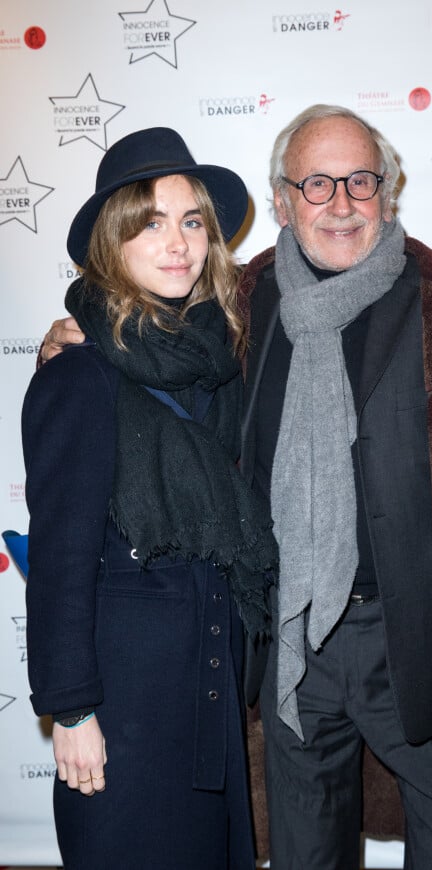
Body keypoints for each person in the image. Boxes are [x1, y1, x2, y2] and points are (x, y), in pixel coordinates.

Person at [42, 106, 432, 870]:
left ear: (388, 191)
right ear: (282, 201)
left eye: (360, 181)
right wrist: (72, 332)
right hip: (289, 647)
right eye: (317, 184)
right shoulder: (244, 305)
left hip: (423, 638)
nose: (341, 202)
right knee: (303, 851)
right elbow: (151, 349)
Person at [23, 126, 277, 870]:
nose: (178, 243)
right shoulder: (79, 373)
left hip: (208, 693)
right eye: (151, 224)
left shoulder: (217, 365)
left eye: (191, 221)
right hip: (123, 703)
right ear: (113, 243)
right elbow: (62, 555)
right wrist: (71, 709)